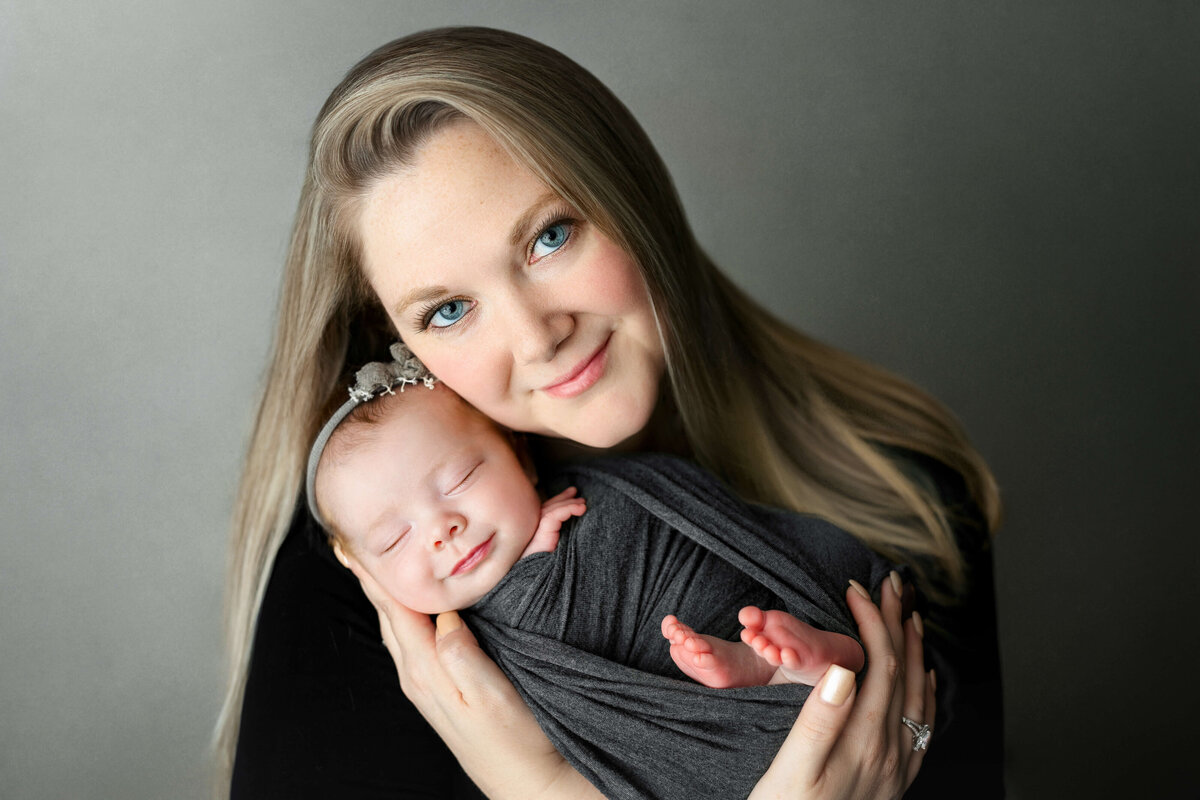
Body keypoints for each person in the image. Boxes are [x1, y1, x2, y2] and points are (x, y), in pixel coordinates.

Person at [219, 26, 1003, 800]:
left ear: (635, 198)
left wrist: (914, 741)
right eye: (450, 310)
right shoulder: (379, 579)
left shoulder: (904, 490)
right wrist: (539, 787)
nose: (536, 338)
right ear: (399, 347)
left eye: (550, 237)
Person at [309, 353, 906, 799]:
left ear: (519, 453)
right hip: (712, 757)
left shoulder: (608, 494)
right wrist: (528, 582)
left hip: (763, 628)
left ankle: (809, 659)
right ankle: (785, 673)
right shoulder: (447, 656)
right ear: (363, 569)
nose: (441, 528)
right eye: (393, 539)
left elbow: (715, 530)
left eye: (461, 479)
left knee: (786, 628)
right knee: (782, 675)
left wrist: (544, 552)